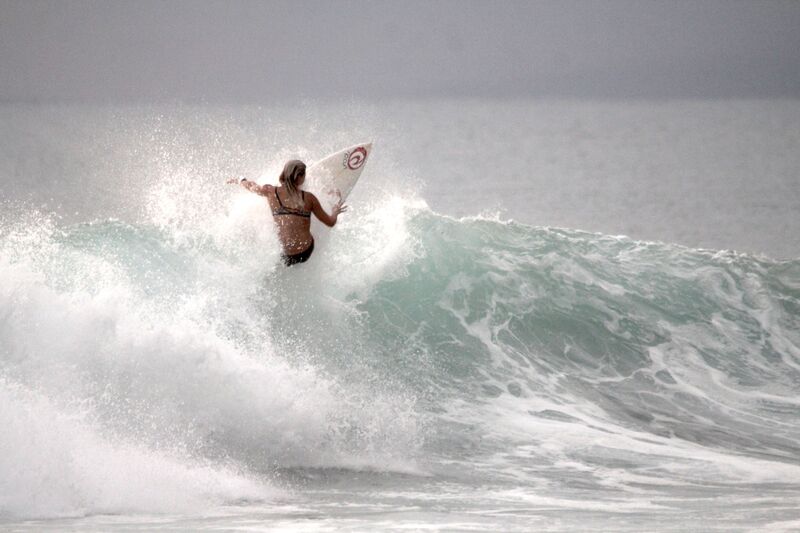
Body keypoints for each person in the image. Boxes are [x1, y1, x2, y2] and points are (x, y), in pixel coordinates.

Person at [227, 160, 347, 266]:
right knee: (309, 223)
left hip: (286, 257)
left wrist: (240, 180)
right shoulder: (309, 198)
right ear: (300, 178)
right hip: (305, 253)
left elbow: (251, 186)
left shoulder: (270, 191)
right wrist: (335, 212)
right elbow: (330, 222)